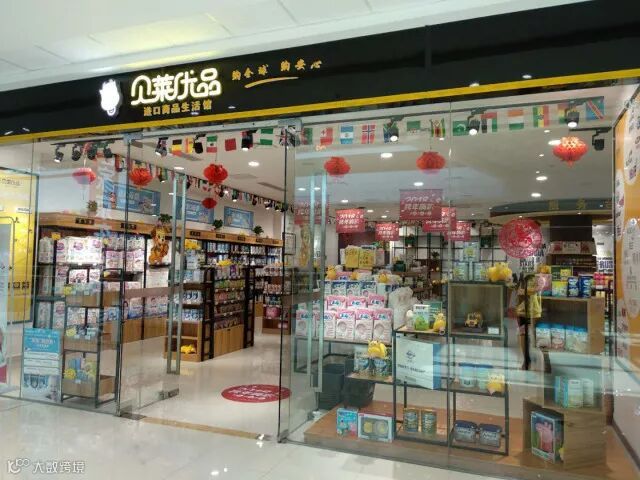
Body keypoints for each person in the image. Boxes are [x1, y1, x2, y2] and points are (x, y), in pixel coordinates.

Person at [516, 273, 542, 370]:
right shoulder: (521, 276)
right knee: (523, 334)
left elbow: (539, 288)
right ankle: (527, 360)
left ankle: (533, 361)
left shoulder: (538, 276)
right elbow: (516, 289)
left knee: (533, 335)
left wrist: (525, 291)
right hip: (522, 310)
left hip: (533, 310)